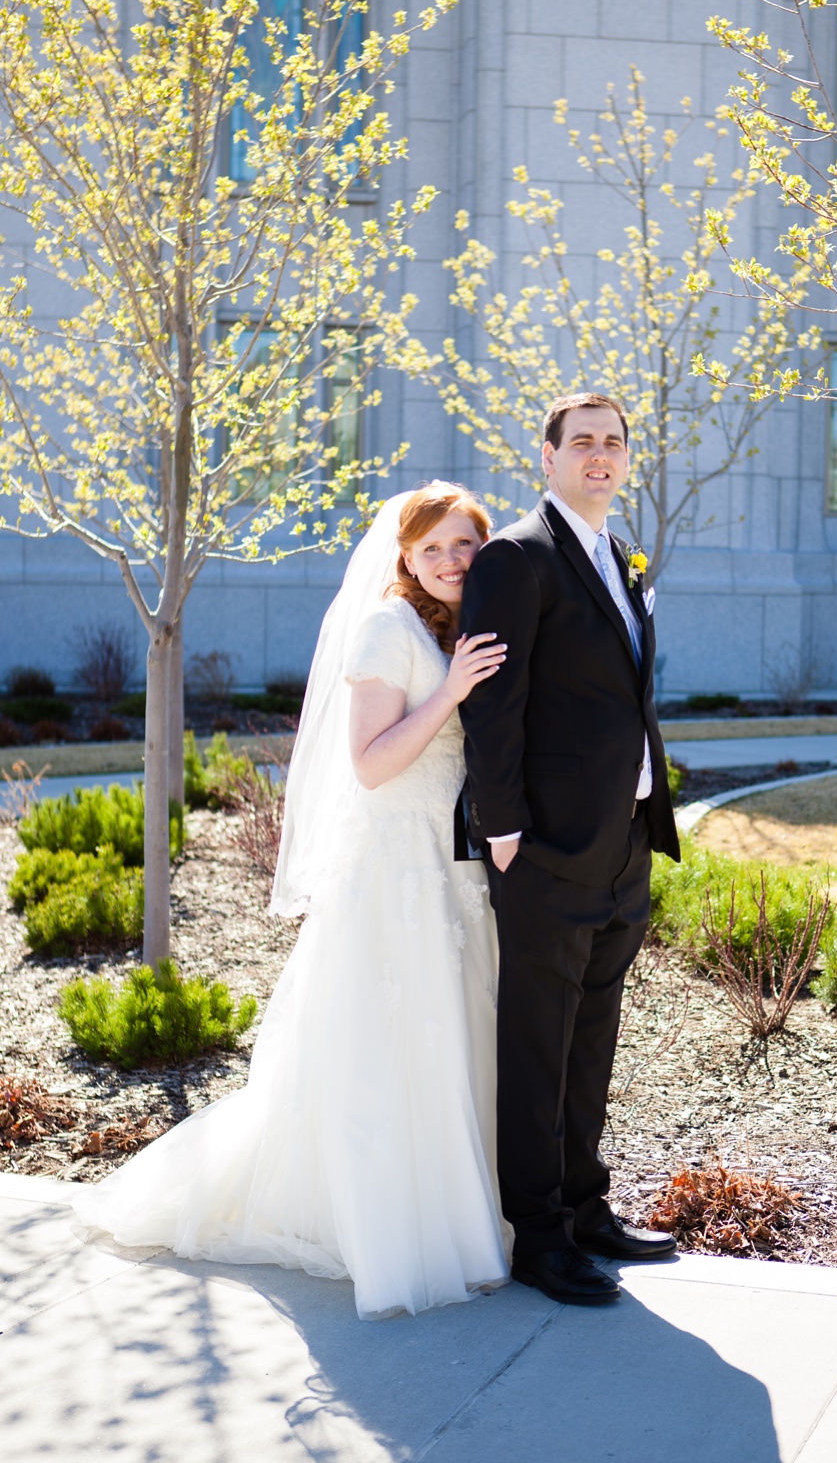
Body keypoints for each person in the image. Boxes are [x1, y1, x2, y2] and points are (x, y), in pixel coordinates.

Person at [73, 484, 515, 1319]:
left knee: (454, 1034)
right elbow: (372, 763)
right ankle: (394, 1229)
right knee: (392, 1043)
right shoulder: (390, 628)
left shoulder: (463, 625)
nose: (451, 561)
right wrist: (451, 692)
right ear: (405, 559)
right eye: (433, 550)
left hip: (452, 862)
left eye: (464, 546)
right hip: (394, 866)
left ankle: (469, 1214)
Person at [459, 390, 683, 1308]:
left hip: (624, 843)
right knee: (538, 1045)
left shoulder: (619, 559)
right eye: (581, 441)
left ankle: (587, 1209)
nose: (600, 455)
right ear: (545, 456)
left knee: (592, 1037)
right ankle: (538, 1236)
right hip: (546, 849)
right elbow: (492, 703)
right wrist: (506, 833)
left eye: (614, 443)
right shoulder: (518, 556)